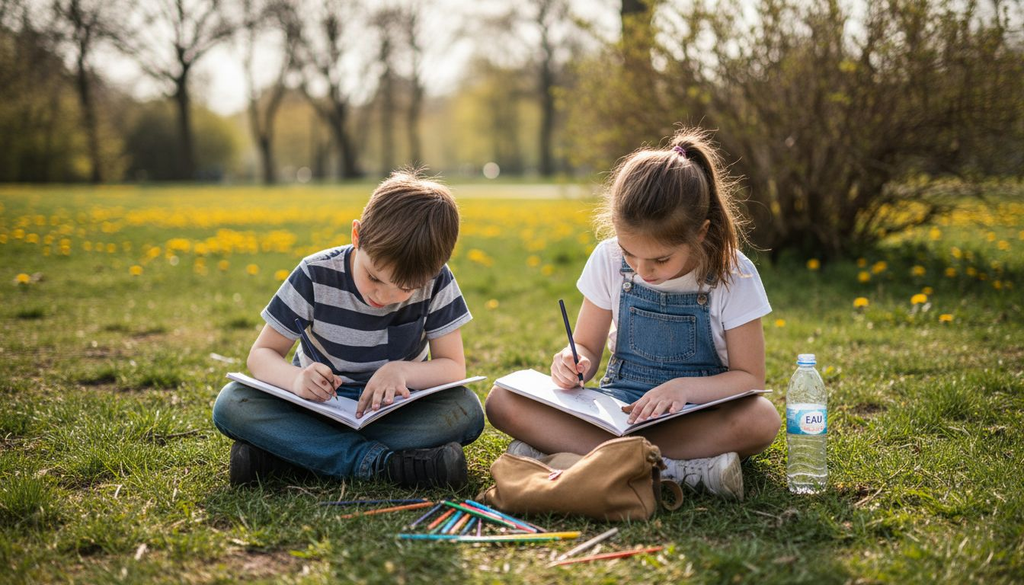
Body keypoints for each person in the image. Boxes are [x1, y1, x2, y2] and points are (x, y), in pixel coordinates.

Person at [486, 129, 781, 500]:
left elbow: (749, 378)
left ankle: (574, 457)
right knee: (502, 400)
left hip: (691, 416)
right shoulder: (607, 259)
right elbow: (586, 346)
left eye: (660, 259)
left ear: (701, 232)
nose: (642, 271)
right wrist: (572, 361)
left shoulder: (732, 273)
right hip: (617, 409)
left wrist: (683, 389)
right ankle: (680, 469)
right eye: (630, 253)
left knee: (762, 418)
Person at [213, 170, 484, 488]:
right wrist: (297, 379)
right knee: (232, 404)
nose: (384, 297)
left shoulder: (438, 281)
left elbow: (453, 367)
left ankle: (290, 455)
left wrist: (402, 372)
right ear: (357, 236)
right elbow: (261, 355)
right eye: (373, 277)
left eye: (406, 289)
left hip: (394, 411)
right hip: (316, 407)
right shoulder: (315, 274)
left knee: (465, 410)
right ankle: (383, 464)